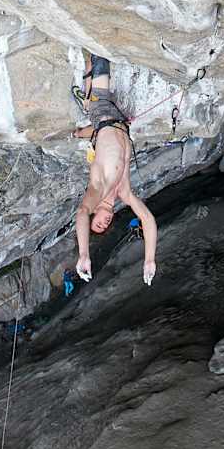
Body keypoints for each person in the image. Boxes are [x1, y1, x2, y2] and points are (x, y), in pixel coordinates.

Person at [72, 52, 158, 286]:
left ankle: (89, 57)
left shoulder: (97, 189)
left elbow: (81, 213)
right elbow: (147, 218)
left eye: (98, 223)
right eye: (106, 226)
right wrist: (149, 260)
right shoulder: (124, 192)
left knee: (100, 59)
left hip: (102, 116)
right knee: (93, 101)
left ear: (94, 213)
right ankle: (81, 125)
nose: (105, 223)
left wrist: (84, 254)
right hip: (118, 121)